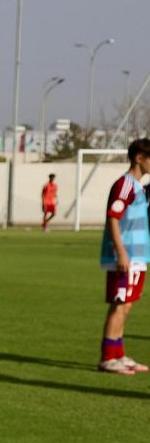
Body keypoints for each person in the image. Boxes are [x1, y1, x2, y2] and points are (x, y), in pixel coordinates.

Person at [98, 139, 150, 375]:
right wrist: (121, 252)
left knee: (126, 305)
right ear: (139, 158)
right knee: (119, 305)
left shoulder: (138, 187)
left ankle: (118, 354)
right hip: (126, 257)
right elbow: (113, 217)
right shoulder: (124, 185)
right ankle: (108, 358)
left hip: (137, 257)